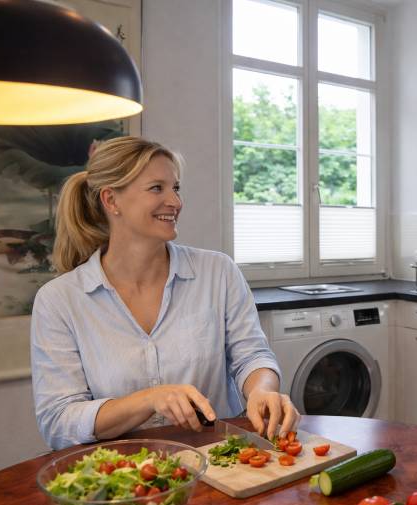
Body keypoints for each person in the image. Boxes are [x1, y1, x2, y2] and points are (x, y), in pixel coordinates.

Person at [31, 136, 299, 450]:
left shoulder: (218, 272)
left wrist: (262, 391)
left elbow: (252, 357)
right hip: (126, 477)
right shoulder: (59, 300)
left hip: (221, 463)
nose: (175, 201)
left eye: (176, 188)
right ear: (111, 200)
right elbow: (58, 422)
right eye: (157, 188)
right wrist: (149, 399)